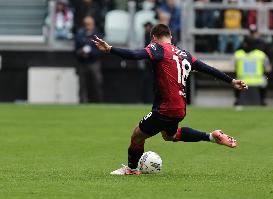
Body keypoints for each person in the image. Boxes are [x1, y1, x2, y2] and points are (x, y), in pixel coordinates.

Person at [93, 24, 248, 175]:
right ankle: (211, 136)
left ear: (153, 38)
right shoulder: (184, 54)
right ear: (170, 36)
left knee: (137, 136)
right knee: (170, 136)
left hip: (165, 108)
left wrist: (110, 49)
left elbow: (135, 55)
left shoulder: (158, 48)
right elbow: (207, 68)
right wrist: (231, 81)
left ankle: (132, 169)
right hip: (180, 108)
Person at [234, 37, 270, 105]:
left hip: (242, 80)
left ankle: (237, 100)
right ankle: (263, 100)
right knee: (265, 80)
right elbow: (267, 66)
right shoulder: (260, 54)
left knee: (234, 80)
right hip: (258, 80)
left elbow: (233, 66)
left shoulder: (238, 54)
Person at [75, 16, 103, 103]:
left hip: (94, 62)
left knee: (97, 82)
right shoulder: (80, 34)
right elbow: (76, 49)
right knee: (82, 84)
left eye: (89, 24)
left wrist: (90, 52)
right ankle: (82, 101)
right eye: (85, 24)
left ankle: (99, 101)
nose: (87, 26)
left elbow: (100, 51)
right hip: (82, 62)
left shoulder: (97, 35)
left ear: (93, 24)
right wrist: (81, 53)